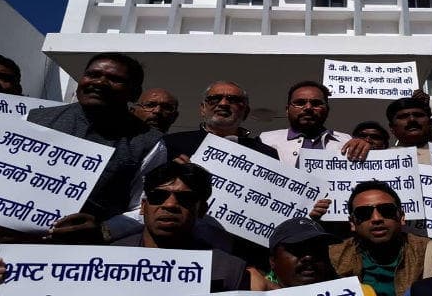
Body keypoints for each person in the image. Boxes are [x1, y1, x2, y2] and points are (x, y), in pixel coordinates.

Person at [113, 81, 279, 269]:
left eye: (233, 100)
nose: (223, 103)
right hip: (179, 252)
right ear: (202, 108)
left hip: (245, 256)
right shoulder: (171, 144)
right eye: (214, 99)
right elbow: (142, 198)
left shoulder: (266, 154)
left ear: (246, 111)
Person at [27, 52, 163, 240]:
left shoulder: (148, 142)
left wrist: (103, 230)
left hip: (81, 251)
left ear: (134, 93)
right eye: (92, 75)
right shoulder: (33, 119)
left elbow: (144, 208)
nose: (99, 83)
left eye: (114, 79)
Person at [110, 161, 252, 292]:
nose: (170, 205)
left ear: (202, 210)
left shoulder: (227, 271)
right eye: (158, 196)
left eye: (185, 198)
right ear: (143, 206)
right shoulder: (109, 258)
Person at [328, 180, 432, 296]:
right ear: (352, 223)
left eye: (387, 210)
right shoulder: (333, 258)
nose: (376, 218)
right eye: (363, 213)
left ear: (402, 217)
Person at [260, 80, 371, 167]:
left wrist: (365, 148)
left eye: (316, 103)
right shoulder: (265, 140)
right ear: (287, 110)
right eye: (300, 103)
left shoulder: (347, 142)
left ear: (327, 110)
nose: (308, 108)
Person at [386, 92, 432, 164]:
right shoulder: (382, 158)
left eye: (418, 115)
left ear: (430, 123)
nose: (412, 119)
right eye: (403, 116)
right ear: (392, 128)